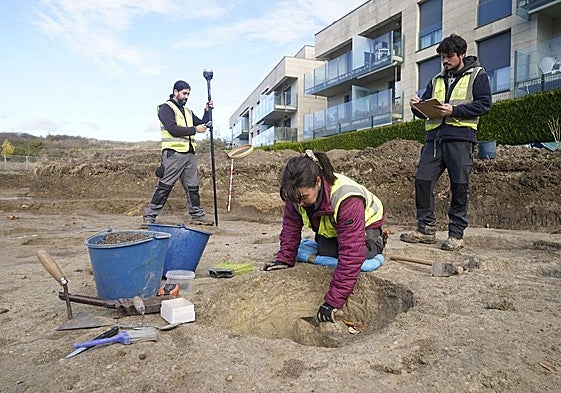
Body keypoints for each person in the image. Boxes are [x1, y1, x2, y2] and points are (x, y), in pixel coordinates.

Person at [263, 150, 386, 323]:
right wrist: (285, 259)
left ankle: (378, 242)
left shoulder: (346, 199)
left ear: (318, 182)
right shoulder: (296, 195)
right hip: (335, 229)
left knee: (355, 254)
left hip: (367, 229)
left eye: (304, 197)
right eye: (295, 199)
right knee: (326, 250)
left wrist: (333, 301)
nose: (299, 204)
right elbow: (290, 228)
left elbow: (351, 254)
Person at [400, 34, 492, 251]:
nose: (445, 61)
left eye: (449, 56)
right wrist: (418, 107)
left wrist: (454, 110)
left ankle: (456, 234)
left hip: (460, 139)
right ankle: (425, 230)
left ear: (461, 55)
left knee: (459, 186)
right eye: (443, 57)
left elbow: (484, 105)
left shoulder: (477, 75)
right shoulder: (436, 80)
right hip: (433, 140)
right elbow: (428, 113)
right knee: (422, 181)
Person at [143, 80, 214, 226]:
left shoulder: (188, 112)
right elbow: (172, 129)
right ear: (176, 92)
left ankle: (197, 216)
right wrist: (195, 130)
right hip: (173, 154)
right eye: (184, 93)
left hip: (189, 154)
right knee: (164, 186)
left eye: (188, 94)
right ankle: (149, 216)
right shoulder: (165, 108)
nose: (186, 97)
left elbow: (201, 124)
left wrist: (207, 112)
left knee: (193, 186)